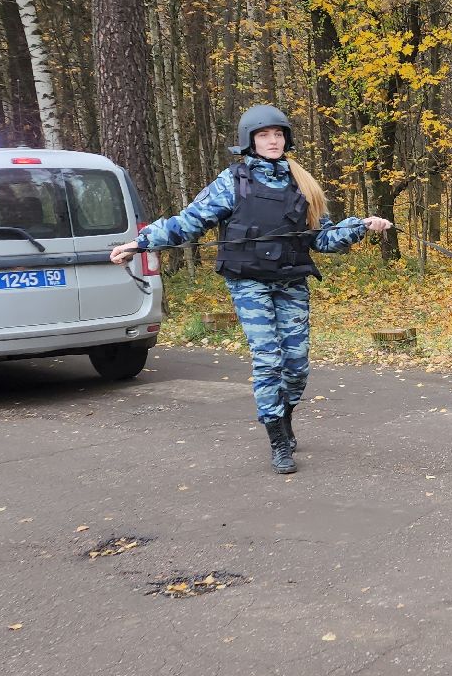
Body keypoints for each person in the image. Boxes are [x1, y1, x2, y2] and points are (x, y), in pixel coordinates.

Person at [111, 104, 392, 474]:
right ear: (250, 141)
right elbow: (189, 222)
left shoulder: (301, 183)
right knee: (268, 359)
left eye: (278, 134)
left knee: (296, 367)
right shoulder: (234, 181)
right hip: (250, 283)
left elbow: (322, 239)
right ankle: (277, 438)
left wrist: (360, 226)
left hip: (291, 281)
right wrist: (140, 242)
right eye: (264, 135)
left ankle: (285, 417)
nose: (272, 141)